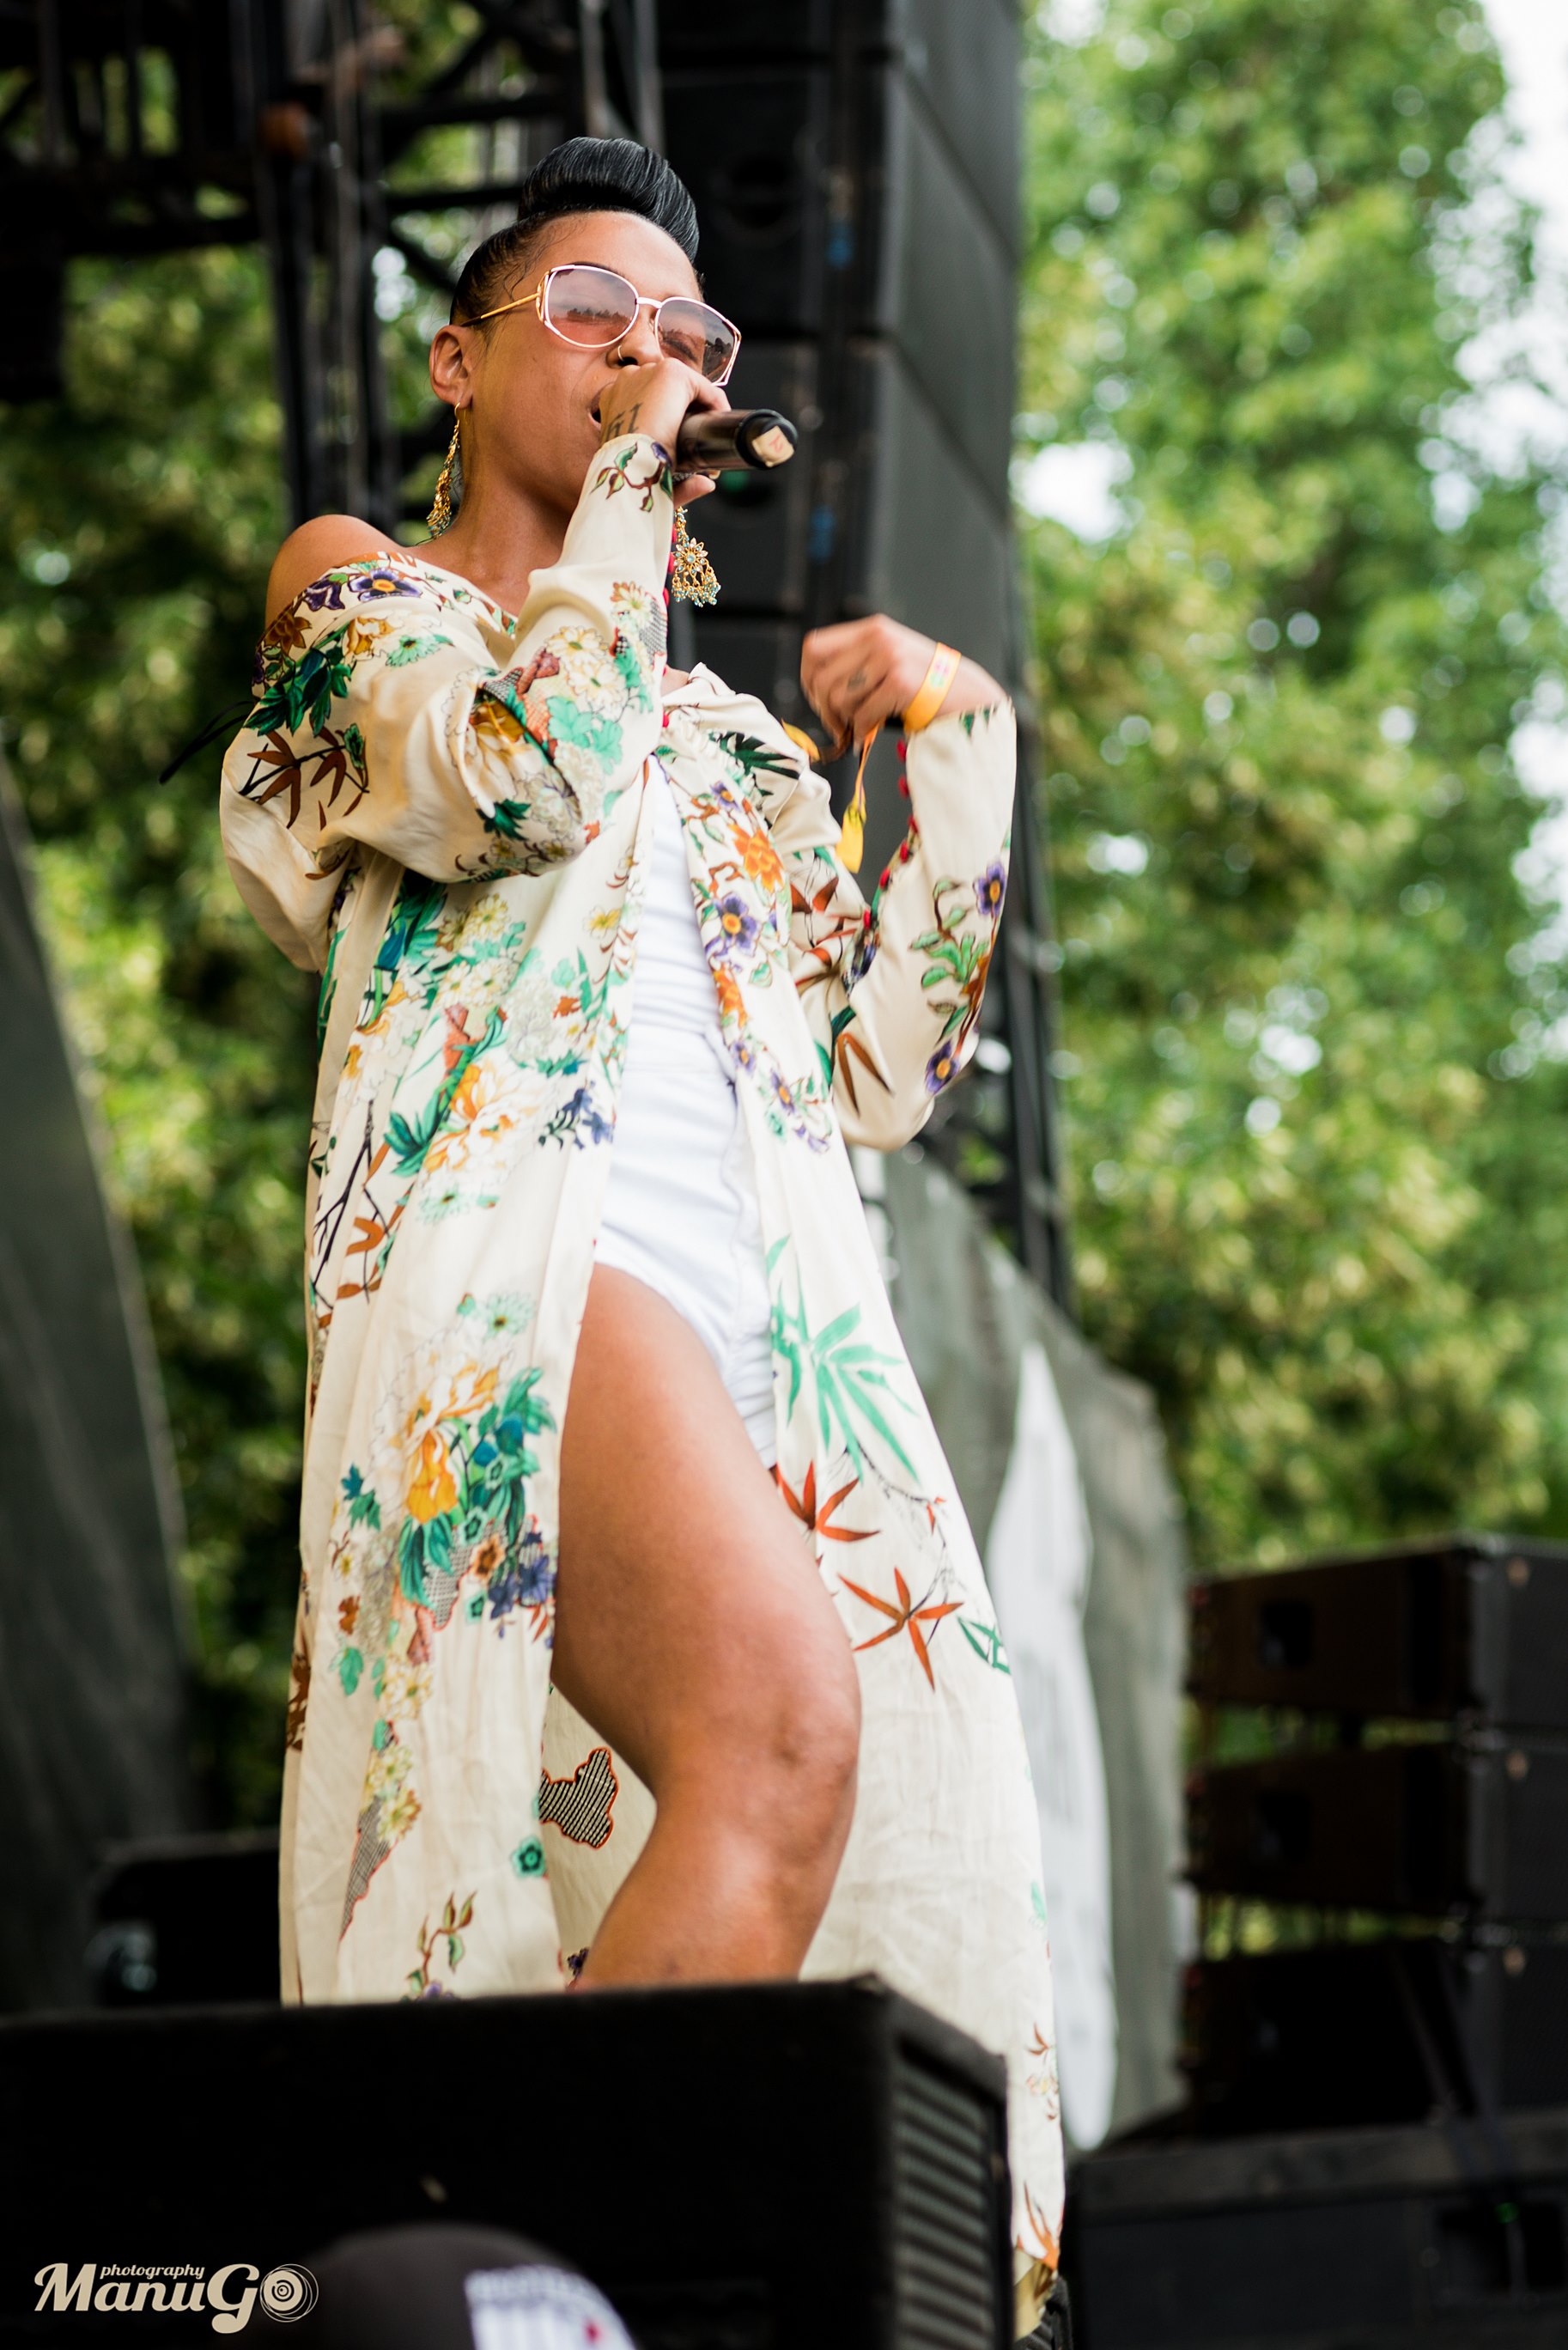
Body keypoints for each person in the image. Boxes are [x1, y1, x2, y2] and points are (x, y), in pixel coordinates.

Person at [221, 137, 1063, 2332]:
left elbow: (884, 1066)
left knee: (785, 1838)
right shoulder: (370, 594)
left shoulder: (727, 738)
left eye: (688, 332)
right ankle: (548, 2303)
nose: (649, 353)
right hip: (517, 1266)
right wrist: (624, 503)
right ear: (457, 357)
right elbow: (514, 770)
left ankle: (538, 2274)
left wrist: (957, 743)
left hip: (769, 1326)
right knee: (781, 1736)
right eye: (593, 311)